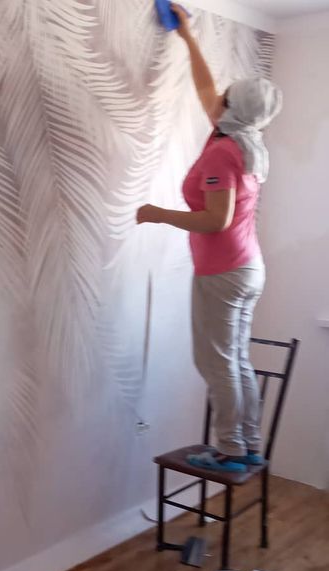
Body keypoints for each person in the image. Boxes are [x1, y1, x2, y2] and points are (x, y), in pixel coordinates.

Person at [136, 4, 283, 473]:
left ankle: (230, 452)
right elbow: (206, 89)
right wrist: (187, 36)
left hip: (223, 271)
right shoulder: (246, 138)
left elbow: (215, 220)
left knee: (216, 362)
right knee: (235, 359)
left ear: (232, 108)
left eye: (226, 96)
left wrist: (158, 214)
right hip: (246, 267)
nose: (217, 97)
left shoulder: (223, 152)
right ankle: (247, 443)